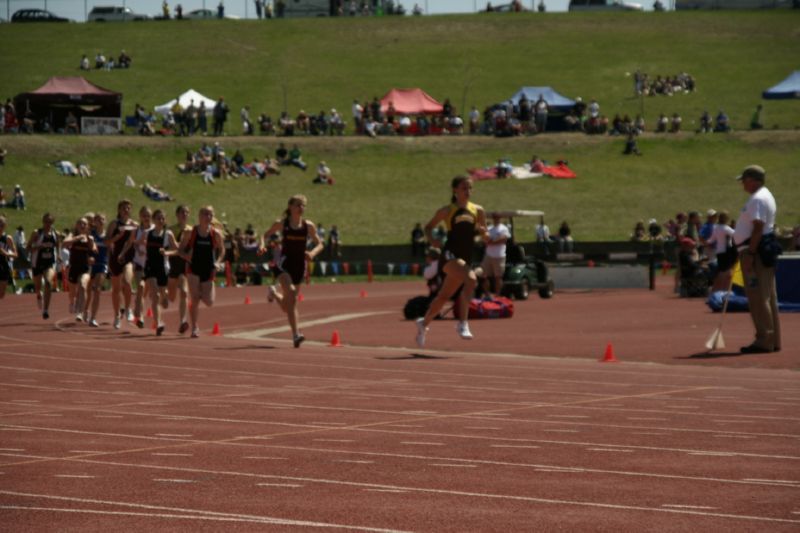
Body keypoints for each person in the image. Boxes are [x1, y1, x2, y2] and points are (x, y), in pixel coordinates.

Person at [415, 176, 488, 348]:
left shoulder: (478, 211)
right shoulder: (447, 211)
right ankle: (462, 322)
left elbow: (484, 235)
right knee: (471, 280)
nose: (468, 192)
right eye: (464, 188)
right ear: (455, 190)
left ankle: (423, 324)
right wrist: (433, 241)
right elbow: (428, 227)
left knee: (443, 297)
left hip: (465, 257)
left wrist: (484, 233)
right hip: (449, 255)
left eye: (470, 188)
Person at [259, 195, 324, 348]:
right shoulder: (283, 224)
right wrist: (262, 246)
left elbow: (320, 243)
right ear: (290, 207)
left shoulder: (308, 226)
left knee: (288, 305)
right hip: (283, 264)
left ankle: (274, 293)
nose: (301, 208)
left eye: (303, 205)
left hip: (299, 267)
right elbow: (265, 235)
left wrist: (312, 254)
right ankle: (296, 335)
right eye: (298, 205)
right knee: (291, 292)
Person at [732, 165, 781, 354]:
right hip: (761, 250)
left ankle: (764, 339)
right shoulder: (764, 196)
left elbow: (758, 228)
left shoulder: (758, 199)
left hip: (756, 252)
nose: (742, 184)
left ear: (753, 180)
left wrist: (750, 254)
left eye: (744, 180)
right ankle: (772, 338)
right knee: (767, 296)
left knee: (758, 296)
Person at [180, 205, 225, 338]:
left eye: (210, 214)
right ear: (199, 216)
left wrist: (218, 261)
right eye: (205, 214)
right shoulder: (191, 232)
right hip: (193, 268)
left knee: (209, 302)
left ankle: (195, 300)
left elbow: (222, 250)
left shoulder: (215, 234)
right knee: (194, 298)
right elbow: (181, 249)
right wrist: (186, 256)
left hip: (208, 269)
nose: (208, 217)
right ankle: (194, 327)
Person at [141, 209, 179, 336]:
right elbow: (135, 243)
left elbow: (176, 250)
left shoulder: (168, 234)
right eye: (158, 218)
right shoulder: (147, 233)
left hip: (163, 268)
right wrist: (139, 250)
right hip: (150, 267)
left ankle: (165, 295)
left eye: (163, 218)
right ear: (154, 220)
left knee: (162, 296)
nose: (161, 221)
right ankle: (159, 323)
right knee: (155, 295)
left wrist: (167, 253)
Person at [118, 206, 153, 329]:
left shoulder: (155, 230)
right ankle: (141, 317)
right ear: (140, 217)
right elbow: (130, 242)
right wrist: (122, 253)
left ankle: (137, 308)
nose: (146, 218)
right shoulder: (137, 229)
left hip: (151, 264)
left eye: (148, 215)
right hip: (138, 263)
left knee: (143, 294)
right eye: (144, 215)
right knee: (141, 287)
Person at [106, 200, 138, 329]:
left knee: (127, 282)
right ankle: (116, 315)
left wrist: (124, 252)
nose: (126, 210)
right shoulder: (114, 224)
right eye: (124, 208)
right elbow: (107, 241)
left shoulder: (134, 225)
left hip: (128, 258)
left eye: (128, 208)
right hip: (114, 259)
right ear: (119, 210)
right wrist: (117, 237)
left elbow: (134, 240)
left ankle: (128, 308)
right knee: (116, 289)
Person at [63, 217, 96, 322]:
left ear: (87, 227)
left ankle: (80, 312)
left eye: (84, 224)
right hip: (73, 268)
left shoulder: (90, 238)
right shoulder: (72, 235)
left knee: (82, 285)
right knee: (72, 293)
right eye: (80, 223)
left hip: (85, 268)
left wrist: (92, 256)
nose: (82, 225)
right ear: (76, 226)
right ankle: (72, 302)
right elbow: (65, 243)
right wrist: (78, 238)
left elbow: (95, 250)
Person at [27, 213, 59, 319]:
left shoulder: (55, 234)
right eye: (46, 222)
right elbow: (28, 248)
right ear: (43, 222)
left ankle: (45, 310)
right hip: (37, 262)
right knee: (37, 286)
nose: (48, 224)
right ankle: (38, 294)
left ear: (52, 222)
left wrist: (58, 255)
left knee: (48, 282)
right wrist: (37, 247)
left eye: (50, 222)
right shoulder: (37, 233)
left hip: (49, 263)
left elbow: (57, 245)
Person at [168, 205, 192, 334]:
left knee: (184, 292)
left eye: (187, 212)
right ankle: (162, 295)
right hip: (173, 265)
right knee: (171, 298)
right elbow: (175, 248)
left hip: (185, 266)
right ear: (177, 214)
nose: (184, 214)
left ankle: (183, 321)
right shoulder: (171, 230)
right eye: (182, 212)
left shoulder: (192, 230)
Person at [84, 213, 108, 327]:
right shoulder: (91, 234)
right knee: (87, 291)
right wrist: (89, 257)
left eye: (103, 219)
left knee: (97, 290)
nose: (101, 221)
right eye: (99, 219)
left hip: (102, 264)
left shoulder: (108, 235)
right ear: (95, 222)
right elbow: (87, 248)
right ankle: (84, 311)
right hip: (91, 265)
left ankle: (93, 318)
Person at [480, 213, 510, 298]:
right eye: (494, 218)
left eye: (497, 218)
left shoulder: (503, 228)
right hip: (488, 255)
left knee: (498, 277)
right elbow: (485, 239)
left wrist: (492, 242)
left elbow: (503, 239)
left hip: (499, 255)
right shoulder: (489, 228)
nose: (495, 219)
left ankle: (497, 295)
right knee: (484, 275)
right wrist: (488, 241)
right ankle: (487, 294)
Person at [707, 211, 736, 291]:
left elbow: (711, 239)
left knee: (721, 271)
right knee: (727, 272)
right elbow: (736, 235)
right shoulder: (726, 228)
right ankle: (725, 289)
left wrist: (706, 242)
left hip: (719, 251)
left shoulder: (716, 227)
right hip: (726, 251)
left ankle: (715, 289)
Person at [0, 216, 18, 299]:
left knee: (2, 293)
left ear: (4, 226)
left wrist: (6, 253)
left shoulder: (8, 238)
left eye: (1, 225)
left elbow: (15, 254)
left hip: (3, 265)